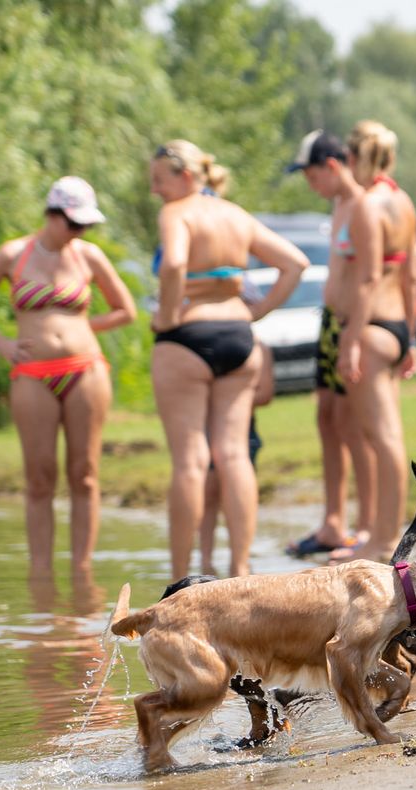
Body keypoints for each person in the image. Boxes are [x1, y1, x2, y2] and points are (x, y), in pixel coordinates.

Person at [0, 176, 137, 582]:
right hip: (33, 374)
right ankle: (40, 575)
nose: (79, 232)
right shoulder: (13, 254)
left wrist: (82, 328)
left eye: (84, 226)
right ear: (52, 215)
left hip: (85, 371)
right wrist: (2, 343)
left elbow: (125, 309)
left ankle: (82, 573)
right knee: (39, 477)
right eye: (73, 224)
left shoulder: (88, 256)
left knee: (85, 474)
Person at [149, 140, 306, 579]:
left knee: (190, 460)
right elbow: (294, 264)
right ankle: (240, 571)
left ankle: (180, 578)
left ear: (184, 177)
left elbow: (174, 263)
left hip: (186, 335)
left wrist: (165, 314)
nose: (154, 191)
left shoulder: (177, 213)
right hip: (239, 334)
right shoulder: (235, 214)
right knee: (234, 454)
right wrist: (256, 311)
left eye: (158, 181)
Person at [284, 123, 416, 563]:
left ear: (356, 158)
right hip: (396, 325)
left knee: (383, 438)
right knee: (385, 437)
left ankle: (382, 541)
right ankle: (379, 536)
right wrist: (412, 338)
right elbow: (413, 275)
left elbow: (365, 279)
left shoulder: (366, 205)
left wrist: (350, 342)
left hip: (370, 326)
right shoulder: (403, 201)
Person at [198, 338, 274, 574]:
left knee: (236, 495)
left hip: (241, 432)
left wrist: (227, 398)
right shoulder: (202, 347)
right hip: (206, 431)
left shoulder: (258, 348)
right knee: (208, 496)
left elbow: (266, 394)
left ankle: (239, 561)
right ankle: (205, 560)